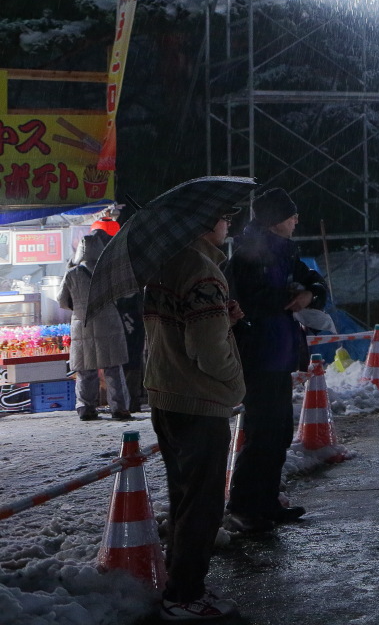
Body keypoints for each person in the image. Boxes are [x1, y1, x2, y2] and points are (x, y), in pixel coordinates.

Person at [144, 209, 247, 621]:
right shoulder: (204, 273)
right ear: (205, 226)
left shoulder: (164, 265)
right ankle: (185, 593)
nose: (229, 225)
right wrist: (235, 383)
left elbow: (180, 328)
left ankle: (179, 584)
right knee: (202, 504)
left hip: (165, 394)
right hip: (199, 400)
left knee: (183, 497)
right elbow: (207, 351)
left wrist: (225, 320)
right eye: (224, 219)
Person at [225, 188, 327, 532]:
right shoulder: (248, 255)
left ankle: (267, 501)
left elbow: (314, 279)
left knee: (279, 432)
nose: (297, 220)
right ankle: (245, 504)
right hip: (260, 354)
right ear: (274, 220)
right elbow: (250, 301)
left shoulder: (284, 252)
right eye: (291, 215)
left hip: (279, 354)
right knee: (261, 433)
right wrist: (290, 295)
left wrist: (309, 293)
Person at [58, 217, 132, 421]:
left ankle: (85, 408)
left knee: (85, 370)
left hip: (82, 324)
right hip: (109, 323)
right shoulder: (109, 271)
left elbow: (62, 301)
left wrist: (79, 309)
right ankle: (120, 408)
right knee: (113, 368)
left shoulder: (71, 274)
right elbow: (126, 294)